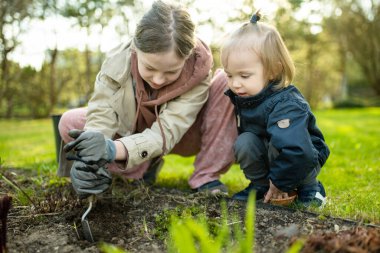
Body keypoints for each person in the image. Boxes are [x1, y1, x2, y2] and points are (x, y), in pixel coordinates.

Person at [57, 0, 237, 199]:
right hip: (132, 130)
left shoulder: (198, 69)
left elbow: (167, 131)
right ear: (136, 48)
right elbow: (101, 112)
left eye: (171, 72)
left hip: (183, 134)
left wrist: (110, 149)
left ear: (186, 58)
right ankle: (141, 168)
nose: (158, 80)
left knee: (227, 83)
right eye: (150, 68)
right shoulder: (118, 60)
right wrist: (91, 156)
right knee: (70, 122)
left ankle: (206, 176)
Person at [220, 11, 330, 207]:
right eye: (229, 75)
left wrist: (280, 182)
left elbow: (297, 150)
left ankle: (310, 188)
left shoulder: (287, 104)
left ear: (273, 70)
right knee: (244, 142)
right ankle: (261, 186)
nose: (235, 84)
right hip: (275, 154)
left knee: (279, 142)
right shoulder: (246, 97)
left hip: (302, 157)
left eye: (244, 76)